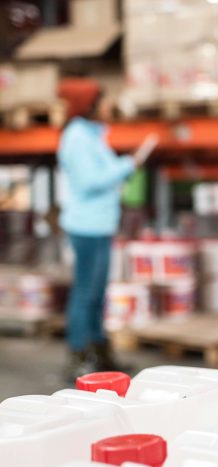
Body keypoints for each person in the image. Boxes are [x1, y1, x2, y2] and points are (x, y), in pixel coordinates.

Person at [57, 86, 147, 381]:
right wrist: (127, 165)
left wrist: (123, 166)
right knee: (85, 293)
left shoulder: (94, 135)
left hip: (100, 225)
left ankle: (100, 353)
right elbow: (89, 181)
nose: (110, 104)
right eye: (104, 100)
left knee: (96, 294)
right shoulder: (77, 138)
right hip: (86, 227)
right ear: (91, 105)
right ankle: (78, 356)